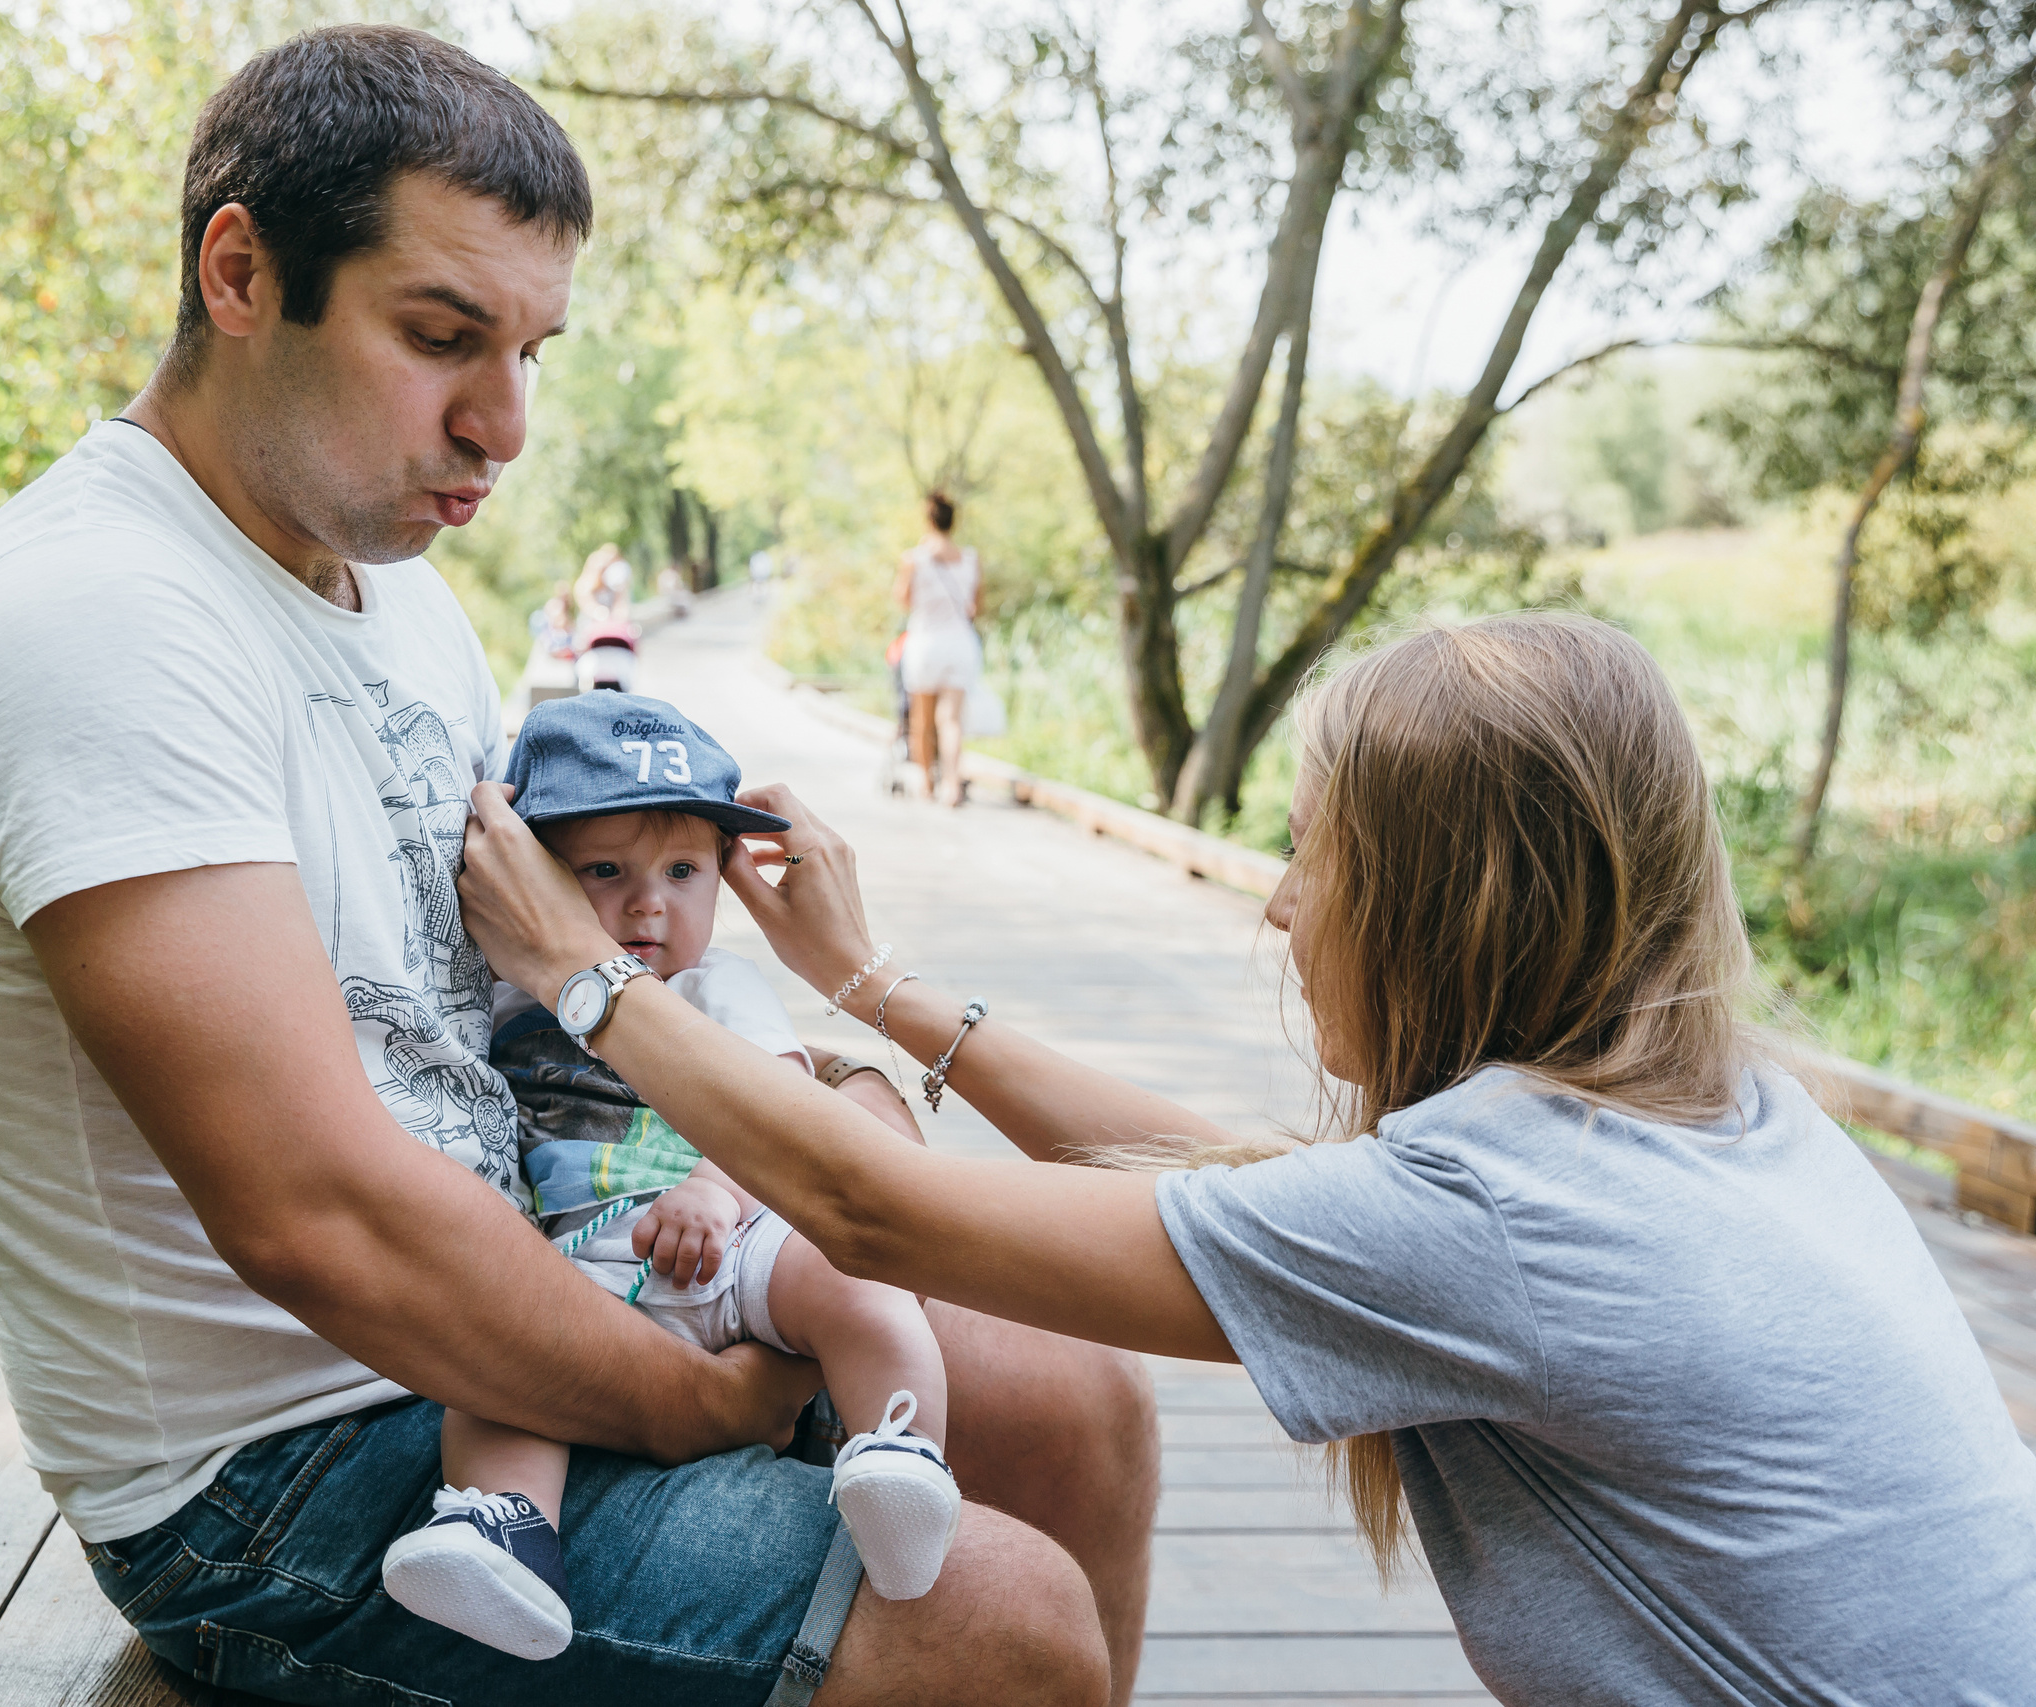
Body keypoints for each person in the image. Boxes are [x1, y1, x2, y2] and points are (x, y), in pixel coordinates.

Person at [0, 25, 1154, 1707]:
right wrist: (683, 1396)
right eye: (441, 337)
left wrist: (828, 1071)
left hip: (554, 1252)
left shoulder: (401, 594)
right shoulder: (96, 615)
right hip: (277, 1469)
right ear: (241, 272)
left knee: (1077, 1400)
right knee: (1006, 1621)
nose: (501, 423)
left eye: (532, 351)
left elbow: (526, 1002)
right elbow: (319, 1216)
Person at [460, 610, 2036, 1707]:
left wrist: (579, 972)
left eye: (1308, 849)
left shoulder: (1499, 1218)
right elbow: (1210, 1178)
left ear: (1440, 906)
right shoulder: (1711, 1105)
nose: (1279, 905)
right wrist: (873, 985)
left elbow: (876, 1207)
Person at [382, 693, 959, 1661]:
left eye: (683, 872)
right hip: (579, 1278)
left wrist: (714, 1191)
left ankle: (899, 1450)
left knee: (857, 1285)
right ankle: (506, 1531)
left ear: (721, 877)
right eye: (604, 871)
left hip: (739, 1251)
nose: (649, 904)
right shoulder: (511, 1001)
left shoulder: (713, 987)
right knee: (495, 1373)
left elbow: (784, 1110)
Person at [893, 492, 981, 807]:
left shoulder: (914, 558)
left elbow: (902, 599)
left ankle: (927, 784)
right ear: (952, 522)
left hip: (926, 643)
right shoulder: (970, 559)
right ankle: (952, 786)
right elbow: (976, 606)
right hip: (959, 644)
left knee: (922, 719)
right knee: (951, 720)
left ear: (929, 521)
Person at [574, 541, 633, 625]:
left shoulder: (612, 585)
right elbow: (588, 607)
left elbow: (620, 603)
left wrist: (621, 615)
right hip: (592, 626)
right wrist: (602, 614)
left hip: (611, 624)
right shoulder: (583, 586)